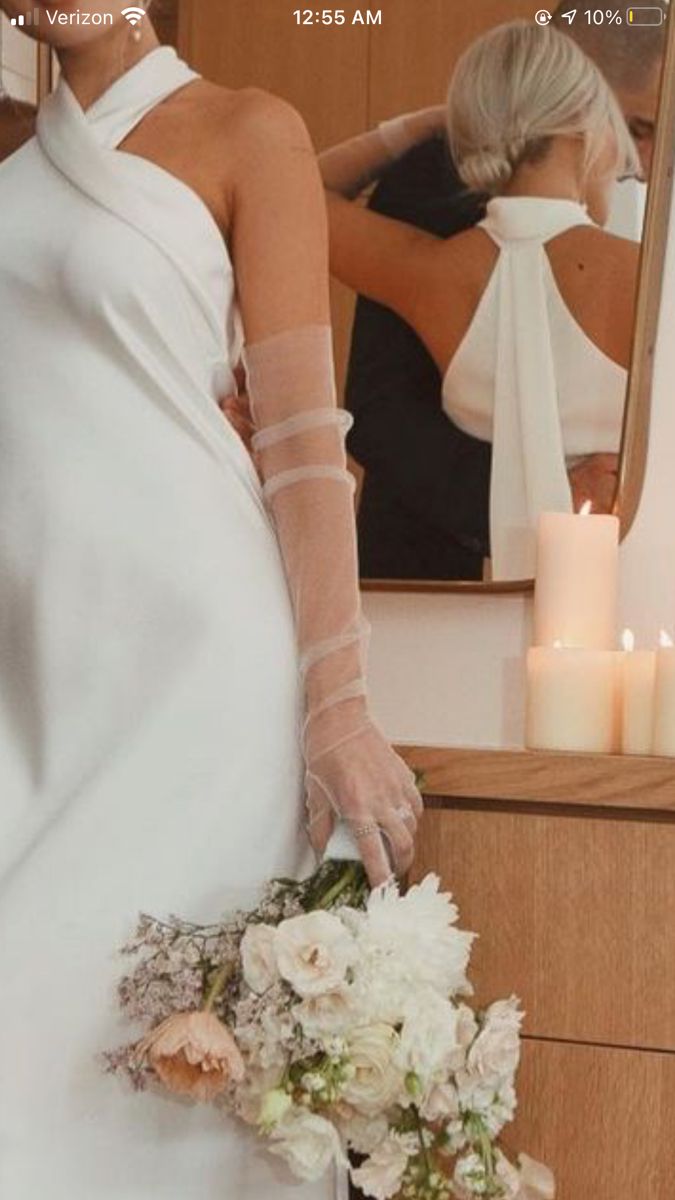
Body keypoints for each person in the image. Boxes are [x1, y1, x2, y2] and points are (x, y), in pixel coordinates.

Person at [0, 2, 422, 1196]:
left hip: (193, 665)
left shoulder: (250, 131)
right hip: (31, 677)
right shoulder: (14, 170)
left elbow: (299, 435)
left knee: (143, 1095)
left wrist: (337, 700)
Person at [346, 1, 667, 581]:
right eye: (636, 128)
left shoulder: (438, 271)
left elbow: (295, 192)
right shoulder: (429, 184)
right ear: (576, 100)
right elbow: (380, 410)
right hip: (442, 566)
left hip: (626, 558)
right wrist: (541, 494)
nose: (642, 163)